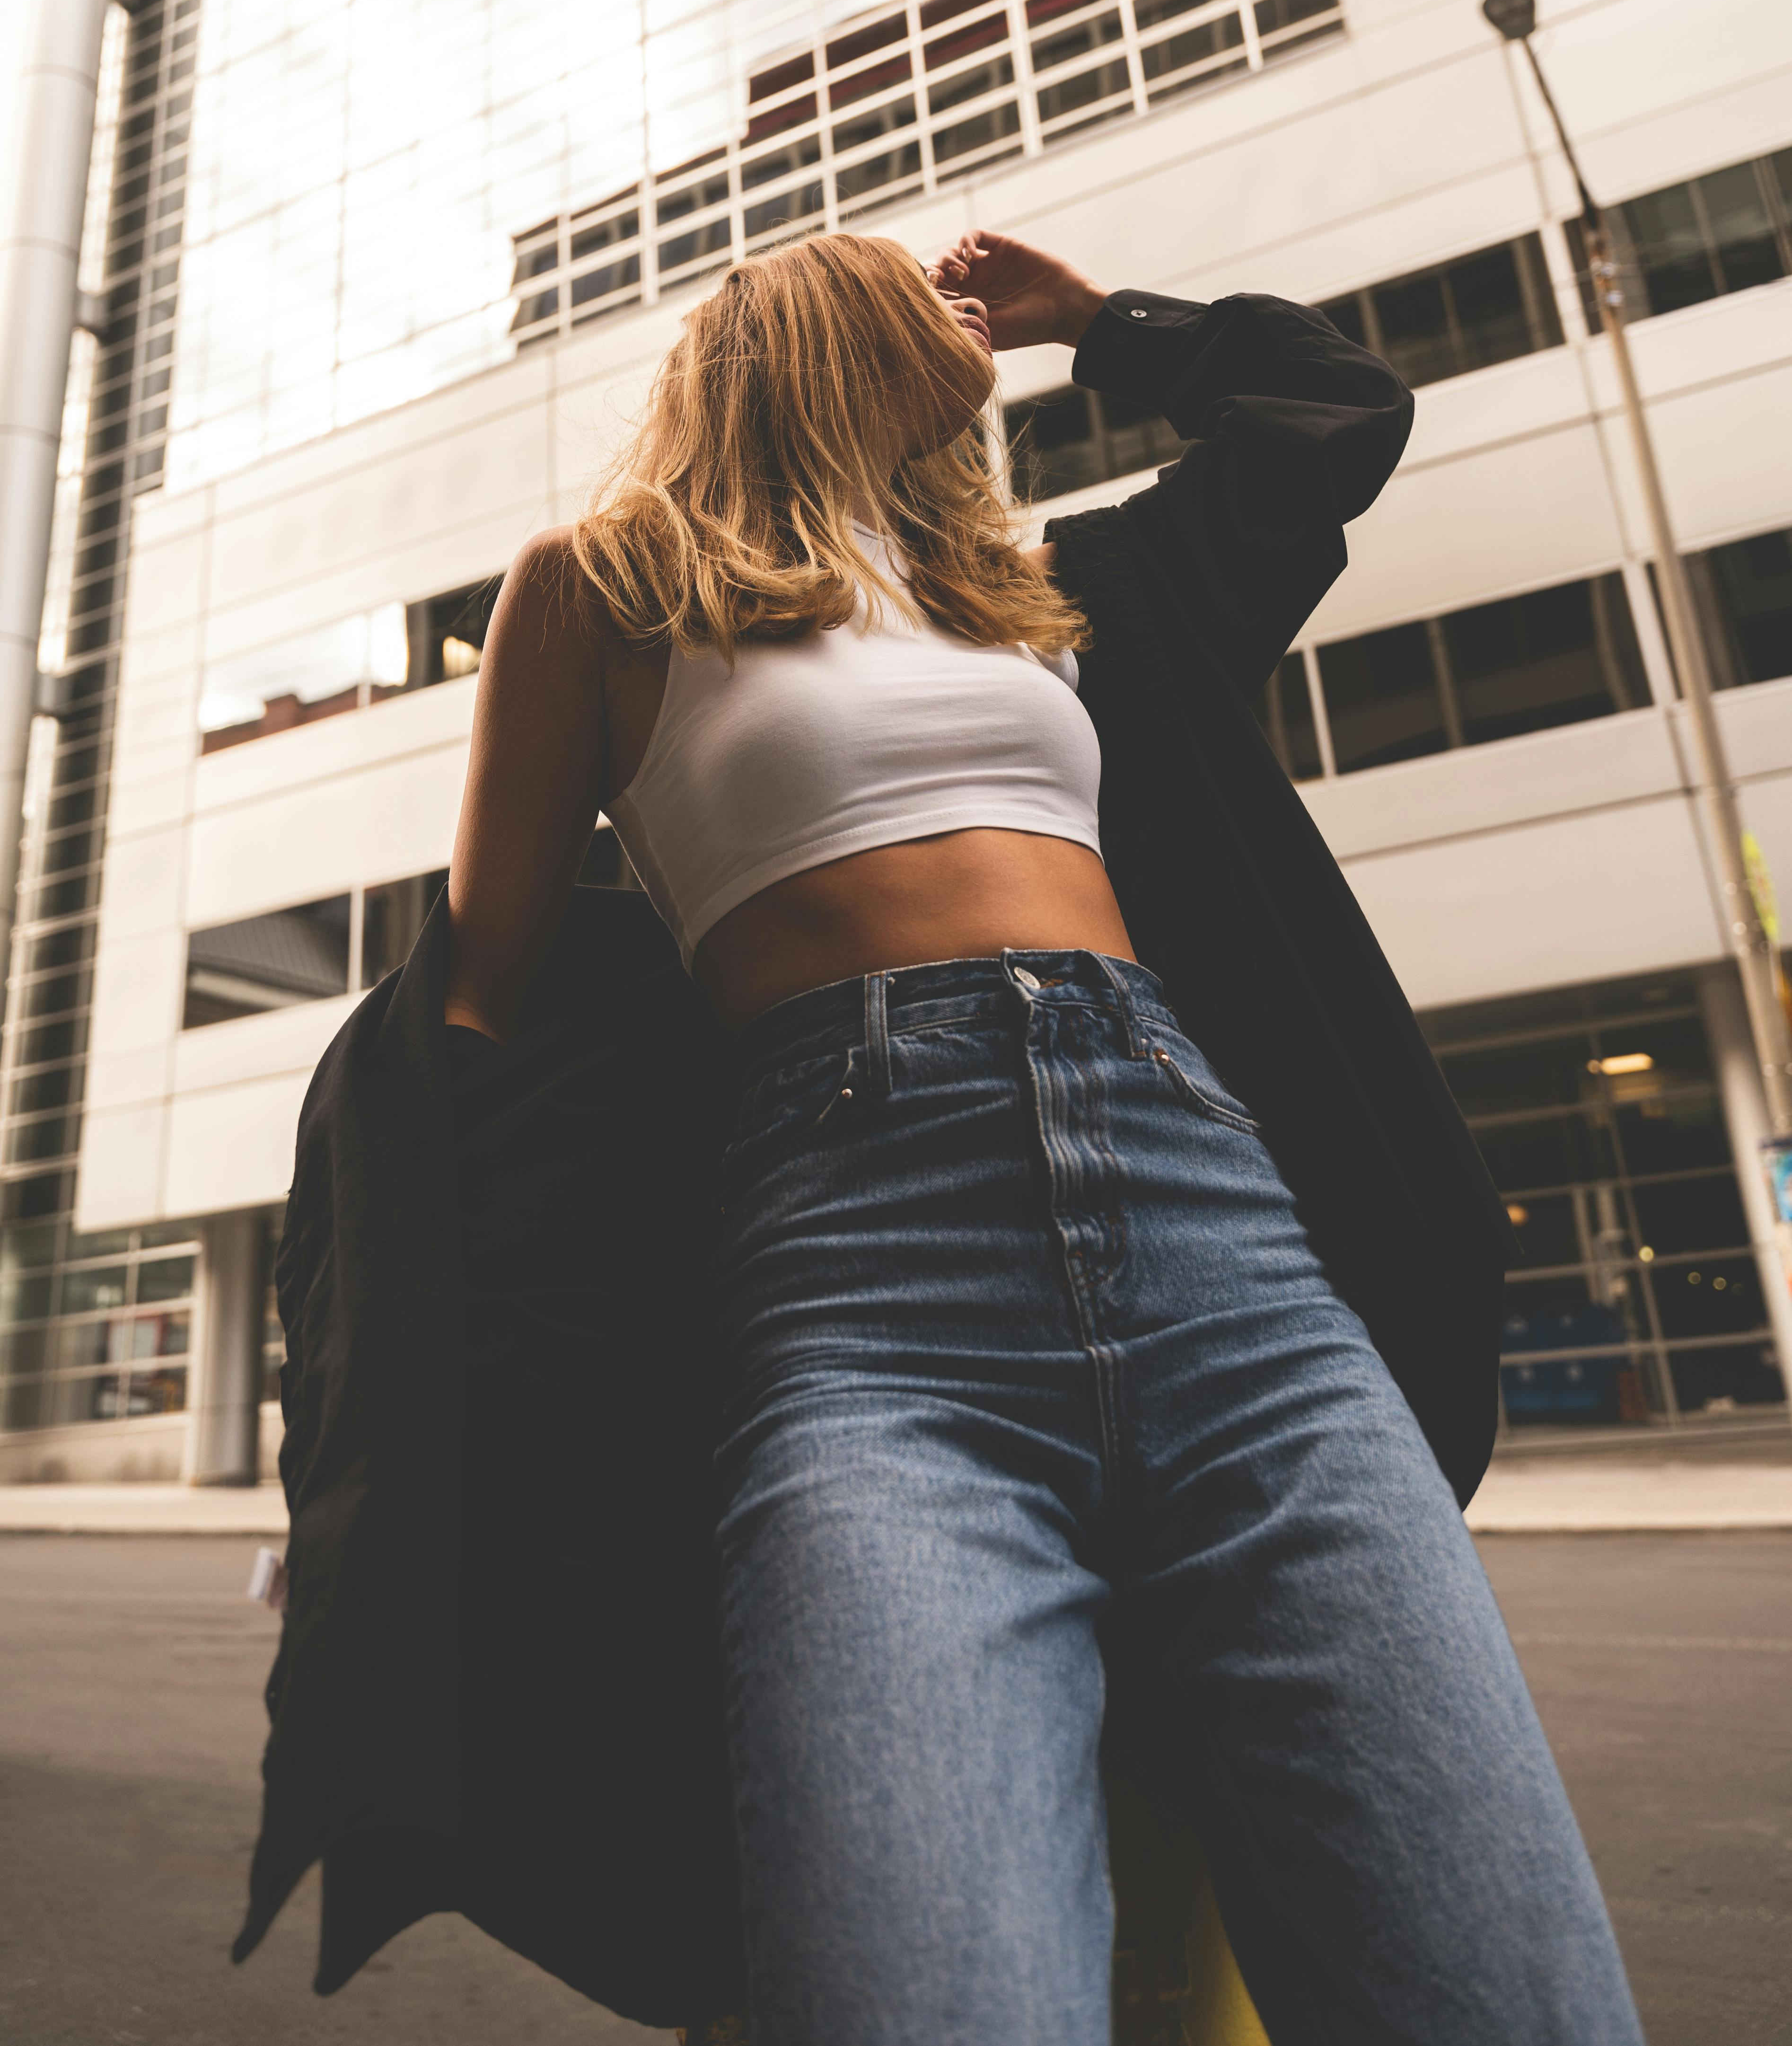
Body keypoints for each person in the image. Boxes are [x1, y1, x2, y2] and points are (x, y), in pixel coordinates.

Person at [438, 226, 1644, 2046]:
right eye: (904, 281)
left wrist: (1099, 323)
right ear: (801, 326)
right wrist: (409, 1386)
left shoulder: (1042, 591)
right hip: (864, 1290)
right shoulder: (605, 587)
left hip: (1220, 1242)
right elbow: (476, 1009)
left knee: (1507, 1992)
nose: (958, 297)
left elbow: (1328, 413)